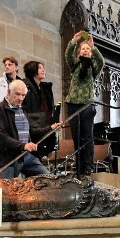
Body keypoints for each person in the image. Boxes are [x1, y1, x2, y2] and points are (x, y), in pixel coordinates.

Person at [0, 79, 50, 179]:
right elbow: (0, 136)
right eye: (17, 94)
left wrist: (49, 128)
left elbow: (29, 132)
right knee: (7, 192)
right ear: (8, 92)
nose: (21, 98)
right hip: (8, 159)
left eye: (23, 95)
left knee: (48, 179)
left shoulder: (21, 110)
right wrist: (23, 145)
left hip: (25, 156)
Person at [64, 31, 104, 176]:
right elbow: (68, 55)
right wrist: (73, 41)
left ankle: (88, 166)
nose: (85, 50)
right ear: (79, 52)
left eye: (87, 49)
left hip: (87, 104)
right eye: (83, 49)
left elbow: (101, 62)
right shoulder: (75, 65)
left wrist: (93, 47)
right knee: (77, 136)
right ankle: (79, 167)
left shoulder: (93, 67)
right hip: (73, 103)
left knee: (87, 136)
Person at [22, 60, 61, 159]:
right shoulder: (25, 87)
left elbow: (48, 109)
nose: (43, 69)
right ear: (32, 70)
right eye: (40, 67)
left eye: (43, 67)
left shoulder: (45, 88)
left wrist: (54, 121)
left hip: (45, 126)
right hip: (34, 128)